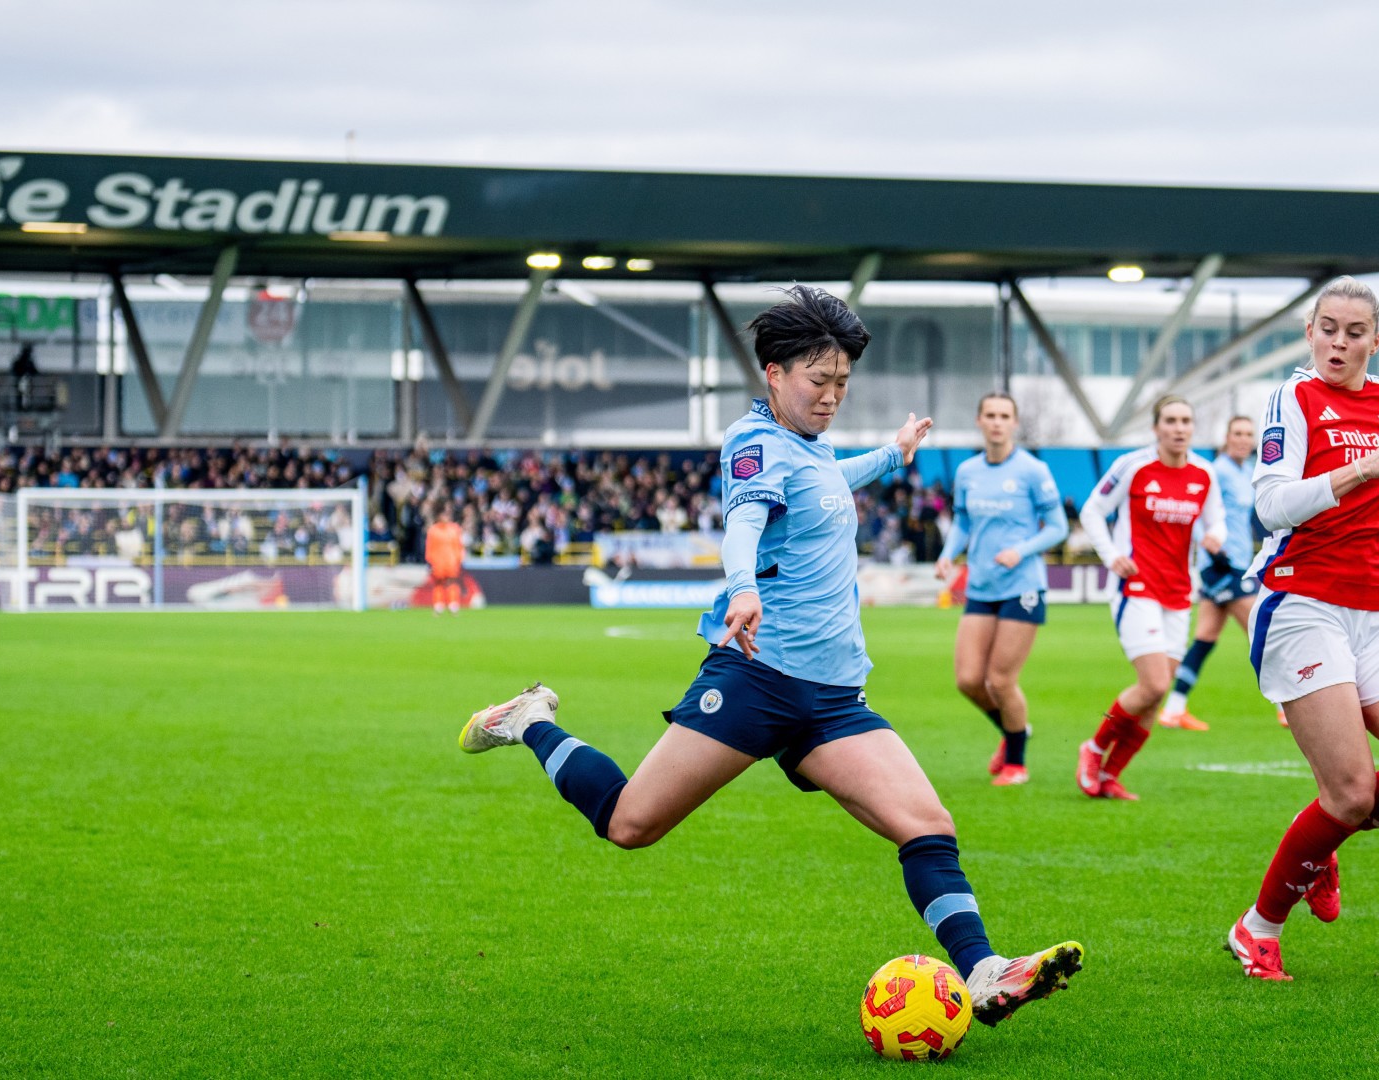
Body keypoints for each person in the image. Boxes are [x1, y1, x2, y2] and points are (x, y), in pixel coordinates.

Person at [457, 287, 1083, 1025]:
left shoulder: (810, 450)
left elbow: (823, 482)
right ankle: (530, 718)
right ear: (773, 373)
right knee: (630, 824)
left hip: (833, 698)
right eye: (819, 381)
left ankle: (982, 971)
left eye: (843, 383)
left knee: (928, 824)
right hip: (757, 680)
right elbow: (745, 518)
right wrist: (743, 586)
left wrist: (892, 453)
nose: (832, 397)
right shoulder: (752, 445)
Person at [1225, 276, 1379, 981]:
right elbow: (1271, 507)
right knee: (1351, 793)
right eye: (1328, 327)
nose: (1339, 341)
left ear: (1375, 340)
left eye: (1354, 332)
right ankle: (1257, 928)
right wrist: (1360, 470)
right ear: (1310, 331)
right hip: (1305, 605)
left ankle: (1324, 840)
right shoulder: (1291, 400)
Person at [1074, 396, 1225, 799]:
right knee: (1155, 684)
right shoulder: (1133, 466)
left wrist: (1216, 537)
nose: (1179, 428)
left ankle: (1111, 776)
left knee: (1154, 699)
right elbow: (1092, 510)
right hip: (1135, 588)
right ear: (1156, 427)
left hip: (1179, 592)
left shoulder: (1205, 473)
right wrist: (1112, 556)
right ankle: (1093, 748)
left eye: (1186, 421)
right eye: (1171, 421)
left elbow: (1218, 520)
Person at [935, 392, 1069, 786]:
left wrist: (1021, 550)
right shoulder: (967, 472)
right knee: (968, 680)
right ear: (979, 421)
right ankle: (1015, 730)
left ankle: (1016, 763)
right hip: (981, 585)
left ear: (1014, 423)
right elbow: (961, 522)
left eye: (1004, 415)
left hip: (1023, 587)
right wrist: (947, 555)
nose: (996, 422)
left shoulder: (1032, 470)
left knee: (1000, 680)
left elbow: (1058, 527)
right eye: (990, 415)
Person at [1157, 415, 1282, 731]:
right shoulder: (1219, 471)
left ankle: (1173, 709)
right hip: (1222, 565)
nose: (1242, 438)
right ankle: (1285, 705)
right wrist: (1209, 544)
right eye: (1237, 433)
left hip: (1238, 563)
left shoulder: (1246, 472)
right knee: (1262, 629)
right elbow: (1197, 510)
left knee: (1205, 638)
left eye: (1248, 434)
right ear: (1226, 437)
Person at [425, 507, 465, 614]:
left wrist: (459, 558)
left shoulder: (455, 529)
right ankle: (438, 604)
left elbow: (459, 546)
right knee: (438, 583)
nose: (446, 517)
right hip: (438, 562)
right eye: (444, 515)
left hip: (451, 561)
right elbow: (429, 547)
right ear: (439, 516)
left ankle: (453, 604)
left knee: (452, 582)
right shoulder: (433, 530)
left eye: (447, 515)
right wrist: (429, 560)